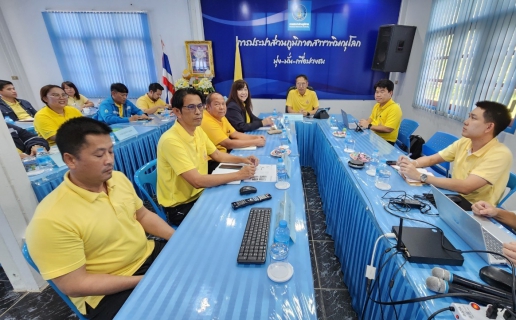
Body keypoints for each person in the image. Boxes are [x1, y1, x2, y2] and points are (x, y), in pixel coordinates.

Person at [25, 117, 175, 319]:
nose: (109, 160)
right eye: (99, 154)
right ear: (70, 160)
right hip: (106, 292)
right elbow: (74, 284)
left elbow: (143, 215)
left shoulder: (118, 179)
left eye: (110, 151)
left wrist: (177, 240)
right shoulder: (51, 219)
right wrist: (144, 280)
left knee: (201, 266)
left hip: (146, 255)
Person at [157, 88, 259, 226]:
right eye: (191, 107)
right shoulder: (171, 140)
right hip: (181, 206)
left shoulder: (197, 130)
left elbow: (217, 155)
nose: (198, 112)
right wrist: (239, 174)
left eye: (200, 106)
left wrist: (243, 160)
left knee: (241, 203)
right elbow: (197, 181)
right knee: (224, 219)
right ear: (177, 112)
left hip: (201, 193)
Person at [399, 101, 513, 205]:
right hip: (451, 196)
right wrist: (411, 163)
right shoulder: (465, 142)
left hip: (473, 209)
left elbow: (466, 187)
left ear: (489, 127)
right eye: (469, 116)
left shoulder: (500, 154)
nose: (466, 122)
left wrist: (420, 176)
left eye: (473, 118)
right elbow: (432, 159)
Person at [201, 92, 266, 173]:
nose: (221, 107)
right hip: (211, 162)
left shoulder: (220, 116)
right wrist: (255, 142)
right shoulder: (207, 121)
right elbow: (228, 144)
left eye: (223, 104)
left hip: (222, 155)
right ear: (208, 107)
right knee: (247, 171)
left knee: (250, 166)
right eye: (217, 104)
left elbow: (235, 134)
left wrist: (256, 137)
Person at [358, 79, 402, 145]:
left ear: (390, 93)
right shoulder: (377, 105)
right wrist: (364, 123)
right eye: (377, 92)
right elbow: (371, 118)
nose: (378, 95)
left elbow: (388, 129)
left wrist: (369, 126)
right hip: (373, 137)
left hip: (385, 142)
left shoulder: (395, 108)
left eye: (382, 92)